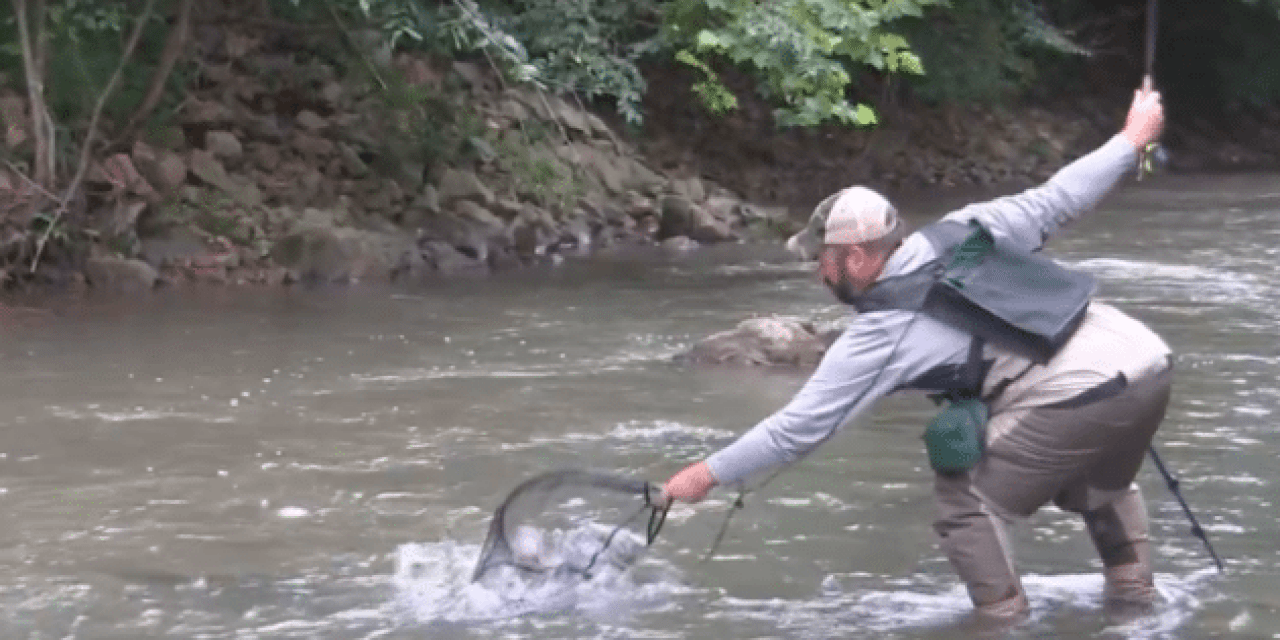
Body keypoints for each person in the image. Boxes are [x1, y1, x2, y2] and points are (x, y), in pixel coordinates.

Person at [662, 84, 1172, 621]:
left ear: (855, 258)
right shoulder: (969, 229)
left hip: (1081, 391)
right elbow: (1060, 196)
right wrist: (1131, 139)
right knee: (1092, 471)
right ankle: (1134, 604)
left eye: (822, 259)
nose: (817, 272)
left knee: (964, 503)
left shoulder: (881, 331)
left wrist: (704, 475)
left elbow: (797, 430)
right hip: (1145, 361)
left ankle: (1001, 624)